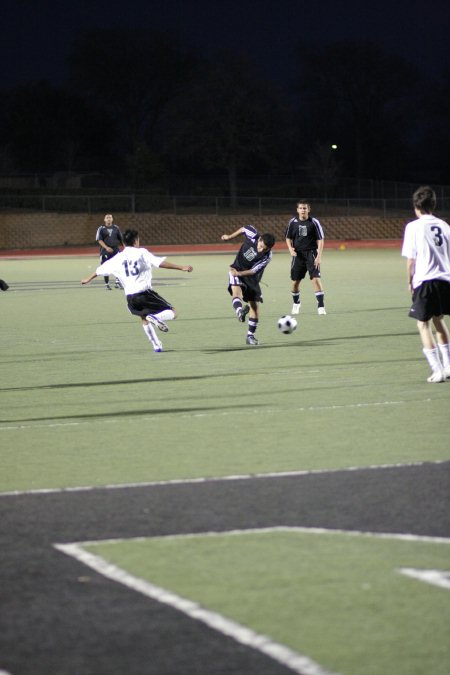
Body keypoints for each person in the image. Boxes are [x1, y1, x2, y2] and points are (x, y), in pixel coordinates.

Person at [81, 229, 193, 353]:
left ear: (123, 243)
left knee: (144, 318)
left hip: (130, 298)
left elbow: (100, 270)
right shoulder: (141, 252)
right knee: (173, 312)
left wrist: (88, 279)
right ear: (136, 241)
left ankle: (156, 345)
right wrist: (181, 267)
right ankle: (156, 317)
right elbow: (159, 263)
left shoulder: (118, 257)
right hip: (144, 293)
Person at [401, 185, 450, 383]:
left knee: (423, 324)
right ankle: (448, 366)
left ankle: (437, 370)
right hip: (445, 280)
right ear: (433, 205)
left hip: (426, 281)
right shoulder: (445, 226)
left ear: (416, 206)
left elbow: (410, 260)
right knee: (439, 320)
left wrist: (410, 281)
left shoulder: (413, 227)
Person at [221, 225, 276, 346]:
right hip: (236, 269)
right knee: (237, 292)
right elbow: (243, 229)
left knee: (255, 307)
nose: (261, 250)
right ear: (260, 239)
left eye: (265, 249)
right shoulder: (253, 235)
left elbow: (253, 271)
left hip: (250, 277)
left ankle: (250, 336)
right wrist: (229, 237)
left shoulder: (268, 256)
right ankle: (240, 311)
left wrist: (239, 273)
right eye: (261, 246)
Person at [285, 200, 326, 315]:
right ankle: (296, 303)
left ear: (309, 209)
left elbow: (320, 240)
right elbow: (288, 237)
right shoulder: (292, 222)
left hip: (311, 253)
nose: (303, 210)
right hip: (297, 255)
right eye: (301, 208)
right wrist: (290, 248)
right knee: (295, 282)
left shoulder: (314, 222)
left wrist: (318, 256)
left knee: (315, 279)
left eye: (305, 208)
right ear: (297, 210)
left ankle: (321, 306)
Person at [96, 214, 124, 290]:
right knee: (105, 267)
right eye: (107, 218)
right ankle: (106, 284)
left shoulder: (116, 228)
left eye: (110, 217)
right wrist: (106, 247)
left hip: (115, 250)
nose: (109, 219)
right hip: (105, 251)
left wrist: (125, 247)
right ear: (104, 220)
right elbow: (99, 240)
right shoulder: (101, 229)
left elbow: (121, 239)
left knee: (118, 266)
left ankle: (117, 283)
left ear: (112, 219)